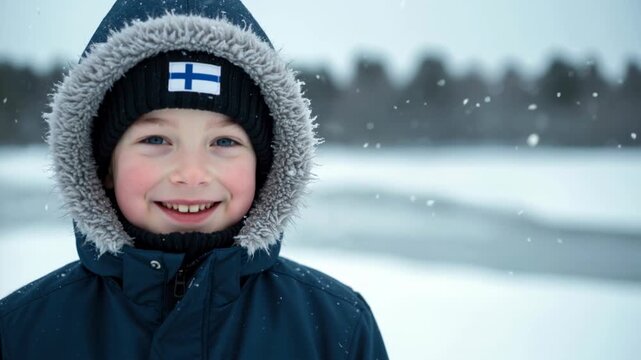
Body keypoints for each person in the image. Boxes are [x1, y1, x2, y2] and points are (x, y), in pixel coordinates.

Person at [0, 1, 388, 359]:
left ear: (265, 167)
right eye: (156, 139)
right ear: (103, 166)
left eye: (223, 141)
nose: (191, 173)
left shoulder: (336, 328)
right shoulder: (21, 330)